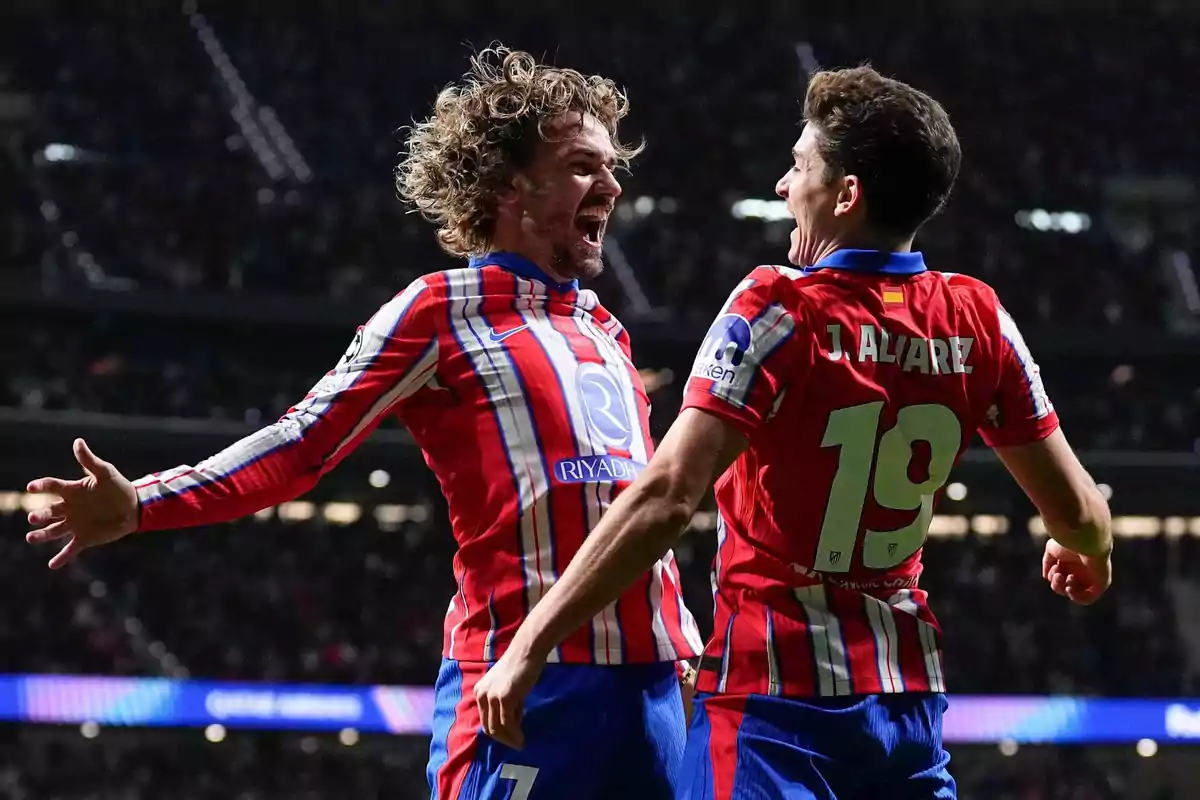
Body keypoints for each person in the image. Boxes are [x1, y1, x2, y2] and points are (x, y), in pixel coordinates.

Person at [24, 46, 703, 800]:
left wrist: (683, 639)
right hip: (526, 685)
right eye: (584, 165)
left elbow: (636, 509)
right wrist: (145, 502)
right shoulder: (439, 310)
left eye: (611, 168)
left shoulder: (608, 332)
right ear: (512, 182)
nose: (611, 184)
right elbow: (301, 444)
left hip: (654, 692)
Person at [474, 65, 1114, 798]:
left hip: (773, 708)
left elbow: (669, 497)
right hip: (904, 714)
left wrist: (531, 641)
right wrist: (1085, 547)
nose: (783, 186)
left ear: (846, 195)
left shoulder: (780, 306)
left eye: (798, 166)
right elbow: (1078, 513)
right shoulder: (978, 316)